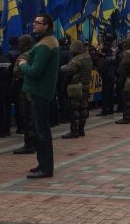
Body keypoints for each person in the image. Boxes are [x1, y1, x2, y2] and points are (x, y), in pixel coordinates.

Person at [18, 14, 61, 178]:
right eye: (34, 21)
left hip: (40, 91)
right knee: (40, 130)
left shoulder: (45, 44)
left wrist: (23, 65)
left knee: (42, 131)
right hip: (40, 90)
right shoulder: (45, 41)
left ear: (46, 26)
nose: (34, 24)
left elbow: (35, 70)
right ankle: (42, 164)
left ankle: (46, 168)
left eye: (38, 22)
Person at [61, 41, 93, 139]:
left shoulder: (76, 60)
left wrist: (64, 84)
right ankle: (81, 130)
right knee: (83, 108)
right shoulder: (87, 58)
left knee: (74, 109)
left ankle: (74, 131)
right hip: (86, 86)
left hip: (76, 87)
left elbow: (69, 72)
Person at [116, 39, 130, 124]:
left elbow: (123, 66)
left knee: (126, 99)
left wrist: (119, 75)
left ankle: (126, 117)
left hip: (126, 78)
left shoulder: (126, 53)